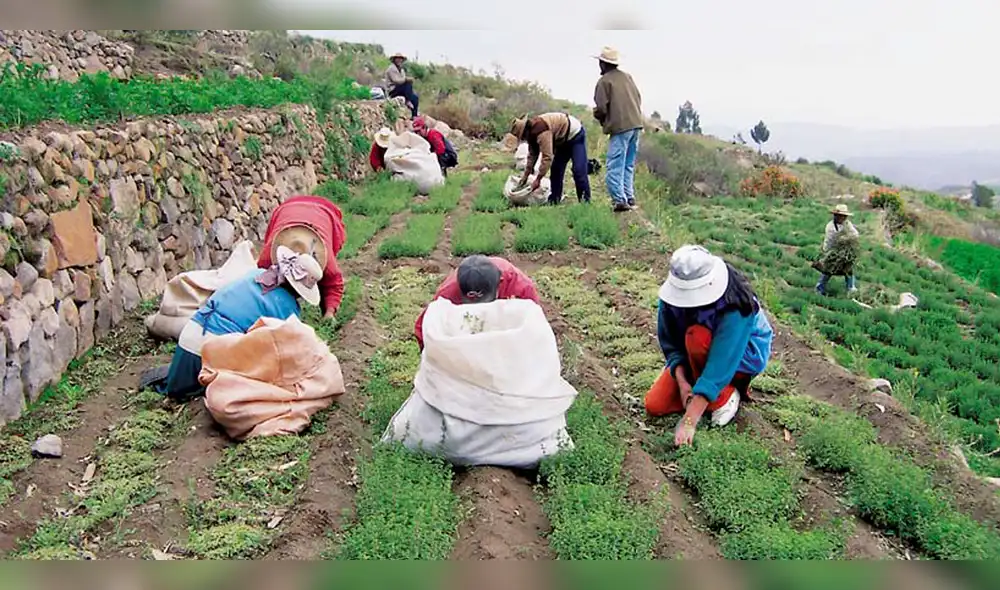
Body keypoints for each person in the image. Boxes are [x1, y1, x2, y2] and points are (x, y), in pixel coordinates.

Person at [143, 247, 323, 401]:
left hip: (190, 335)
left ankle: (177, 374)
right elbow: (282, 351)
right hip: (213, 352)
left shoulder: (255, 274)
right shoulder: (288, 307)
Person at [644, 245, 774, 447]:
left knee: (697, 336)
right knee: (655, 404)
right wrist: (682, 384)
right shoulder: (670, 301)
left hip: (742, 353)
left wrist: (689, 420)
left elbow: (722, 361)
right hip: (696, 350)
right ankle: (699, 387)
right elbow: (671, 346)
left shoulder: (735, 306)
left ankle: (727, 394)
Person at [414, 255, 540, 349]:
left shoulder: (521, 288)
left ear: (499, 284)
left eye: (485, 302)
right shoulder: (448, 293)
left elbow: (534, 328)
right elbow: (424, 329)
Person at [257, 196, 347, 319]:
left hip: (324, 212)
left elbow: (334, 284)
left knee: (323, 282)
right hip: (287, 210)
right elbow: (260, 285)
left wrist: (329, 312)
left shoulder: (325, 258)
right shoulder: (268, 257)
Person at [592, 46, 643, 213]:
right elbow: (638, 98)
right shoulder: (628, 77)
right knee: (628, 164)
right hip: (636, 124)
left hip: (620, 127)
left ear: (603, 63)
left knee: (615, 164)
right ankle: (629, 197)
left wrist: (599, 117)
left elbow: (601, 108)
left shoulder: (604, 82)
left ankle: (619, 200)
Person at [510, 113, 592, 205]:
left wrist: (538, 179)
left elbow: (547, 157)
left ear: (526, 131)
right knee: (556, 170)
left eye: (523, 136)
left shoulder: (541, 130)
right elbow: (532, 155)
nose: (524, 138)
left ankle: (585, 202)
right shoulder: (531, 136)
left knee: (578, 170)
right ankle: (555, 200)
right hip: (561, 140)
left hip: (575, 135)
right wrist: (525, 176)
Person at [816, 204, 860, 295]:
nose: (842, 218)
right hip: (832, 250)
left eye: (844, 216)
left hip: (845, 250)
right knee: (829, 268)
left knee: (849, 267)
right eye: (840, 216)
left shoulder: (847, 224)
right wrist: (842, 240)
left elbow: (855, 234)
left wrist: (848, 238)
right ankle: (820, 288)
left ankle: (851, 288)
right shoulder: (830, 227)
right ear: (835, 216)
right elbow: (831, 241)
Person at [385, 52, 419, 118]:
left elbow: (403, 80)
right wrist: (406, 79)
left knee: (415, 98)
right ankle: (408, 101)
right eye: (397, 59)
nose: (399, 60)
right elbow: (396, 81)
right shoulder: (391, 69)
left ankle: (414, 115)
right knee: (407, 82)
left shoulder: (402, 70)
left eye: (400, 59)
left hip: (400, 90)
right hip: (393, 90)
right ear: (394, 60)